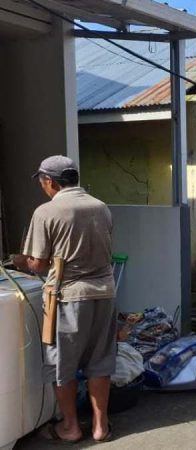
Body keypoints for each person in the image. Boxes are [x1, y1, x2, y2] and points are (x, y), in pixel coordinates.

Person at [12, 155, 116, 443]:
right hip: (105, 293)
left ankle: (70, 427)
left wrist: (20, 260)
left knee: (63, 365)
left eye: (43, 182)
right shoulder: (101, 207)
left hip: (68, 296)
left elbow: (38, 264)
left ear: (51, 182)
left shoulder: (47, 211)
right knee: (100, 362)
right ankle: (100, 427)